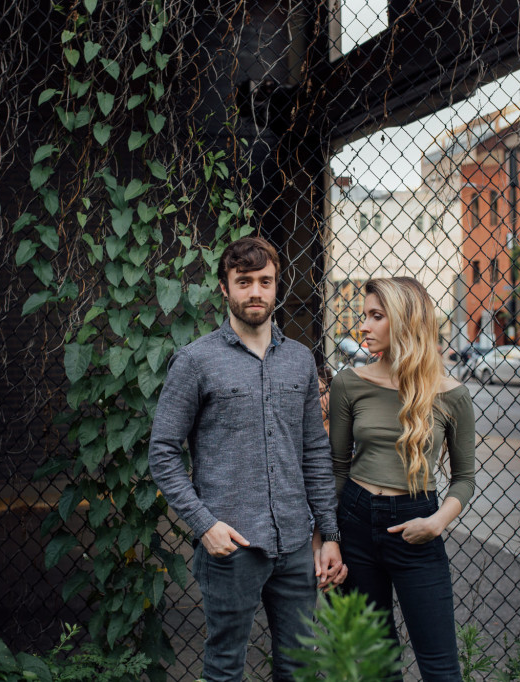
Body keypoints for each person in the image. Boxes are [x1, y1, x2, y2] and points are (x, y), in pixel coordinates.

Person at [148, 236, 346, 682]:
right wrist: (204, 524)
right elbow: (162, 453)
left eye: (265, 281)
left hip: (296, 544)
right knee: (224, 667)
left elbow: (315, 452)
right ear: (224, 288)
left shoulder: (299, 360)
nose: (255, 291)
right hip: (231, 545)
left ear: (277, 286)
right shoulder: (196, 361)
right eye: (244, 282)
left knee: (298, 666)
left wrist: (328, 533)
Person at [328, 277, 477, 682]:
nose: (364, 326)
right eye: (364, 316)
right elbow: (337, 469)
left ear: (405, 320)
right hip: (355, 520)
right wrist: (328, 539)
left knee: (441, 666)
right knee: (375, 663)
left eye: (376, 316)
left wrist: (436, 523)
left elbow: (464, 479)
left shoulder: (452, 395)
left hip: (417, 524)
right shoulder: (348, 384)